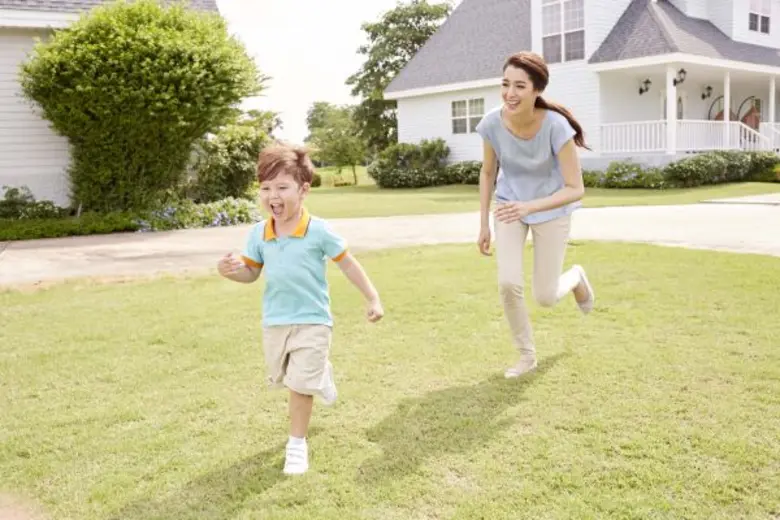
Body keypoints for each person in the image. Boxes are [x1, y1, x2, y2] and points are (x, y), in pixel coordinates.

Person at [217, 143, 384, 475]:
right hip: (275, 321)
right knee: (285, 377)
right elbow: (251, 273)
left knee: (298, 387)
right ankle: (321, 373)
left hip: (313, 320)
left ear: (303, 190)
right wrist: (231, 272)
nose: (272, 195)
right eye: (265, 188)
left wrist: (373, 298)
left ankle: (296, 444)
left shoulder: (318, 230)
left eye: (282, 187)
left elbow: (348, 264)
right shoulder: (258, 234)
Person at [475, 51, 595, 379]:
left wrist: (531, 206)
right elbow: (488, 173)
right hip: (509, 206)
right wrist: (484, 222)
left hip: (552, 210)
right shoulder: (491, 124)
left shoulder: (557, 127)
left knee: (544, 297)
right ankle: (526, 355)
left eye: (519, 86)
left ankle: (575, 278)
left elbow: (575, 188)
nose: (510, 93)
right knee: (507, 283)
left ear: (536, 90)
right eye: (505, 84)